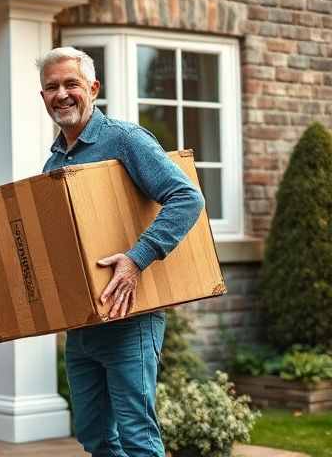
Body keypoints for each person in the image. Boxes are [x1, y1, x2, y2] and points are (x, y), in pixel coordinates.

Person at [37, 47, 204, 456]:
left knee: (137, 437)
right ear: (42, 96)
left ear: (93, 88)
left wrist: (136, 259)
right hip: (83, 326)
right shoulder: (54, 162)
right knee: (94, 435)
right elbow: (53, 247)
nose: (62, 94)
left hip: (131, 320)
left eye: (71, 84)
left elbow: (186, 197)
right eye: (51, 86)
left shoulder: (124, 139)